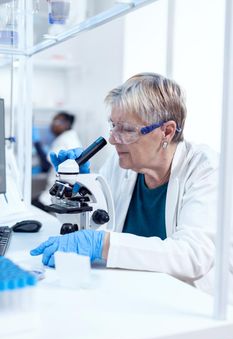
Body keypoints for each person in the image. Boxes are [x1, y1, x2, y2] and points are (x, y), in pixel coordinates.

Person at [30, 73, 221, 297]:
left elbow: (193, 256)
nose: (112, 139)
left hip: (190, 302)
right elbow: (91, 227)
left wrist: (103, 243)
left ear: (167, 131)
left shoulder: (206, 168)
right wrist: (82, 186)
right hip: (133, 290)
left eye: (127, 129)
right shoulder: (121, 164)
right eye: (113, 126)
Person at [32, 111, 82, 210]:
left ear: (66, 124)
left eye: (56, 121)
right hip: (60, 191)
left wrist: (37, 143)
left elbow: (46, 165)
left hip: (58, 193)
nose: (52, 124)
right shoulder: (69, 138)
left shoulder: (64, 140)